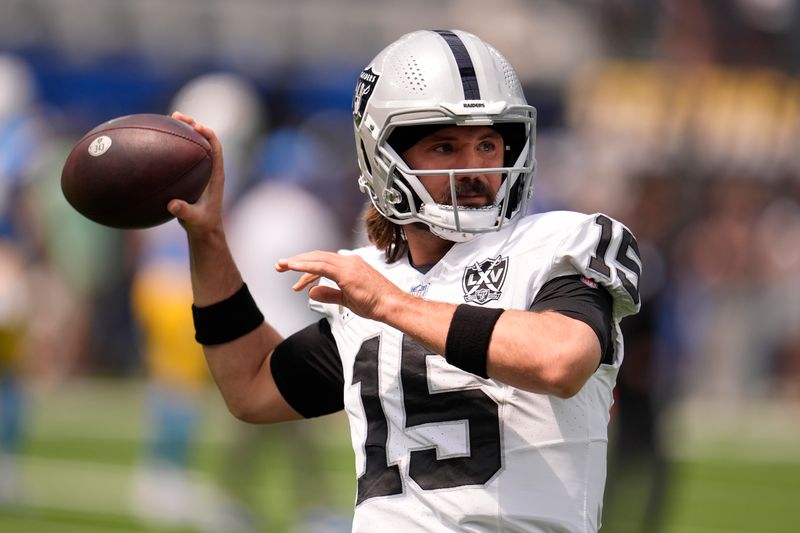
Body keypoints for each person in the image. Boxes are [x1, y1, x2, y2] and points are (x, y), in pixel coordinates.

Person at [168, 29, 641, 532]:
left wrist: (391, 305)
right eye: (445, 146)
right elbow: (251, 386)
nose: (476, 167)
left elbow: (562, 359)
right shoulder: (377, 285)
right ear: (384, 156)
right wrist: (209, 239)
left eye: (488, 142)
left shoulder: (560, 242)